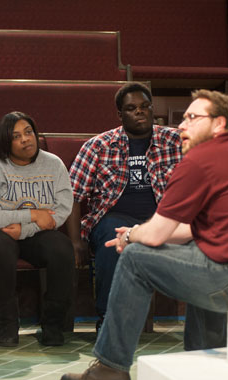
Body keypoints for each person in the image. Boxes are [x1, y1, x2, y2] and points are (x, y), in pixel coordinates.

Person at [59, 89, 228, 380]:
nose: (182, 125)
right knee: (200, 250)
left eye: (193, 118)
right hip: (227, 269)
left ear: (219, 124)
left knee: (135, 258)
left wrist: (130, 236)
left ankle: (111, 368)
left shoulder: (200, 159)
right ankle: (204, 358)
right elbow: (193, 231)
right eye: (183, 117)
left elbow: (155, 235)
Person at [67, 82, 184, 332]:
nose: (140, 112)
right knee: (113, 238)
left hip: (162, 219)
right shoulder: (98, 146)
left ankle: (209, 328)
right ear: (120, 115)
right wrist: (76, 240)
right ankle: (111, 321)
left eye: (145, 106)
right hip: (114, 217)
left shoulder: (177, 141)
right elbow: (73, 196)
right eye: (132, 108)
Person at [0, 111, 75, 347]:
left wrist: (24, 230)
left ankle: (53, 325)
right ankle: (8, 326)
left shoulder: (53, 164)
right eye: (17, 136)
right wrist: (34, 214)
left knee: (62, 248)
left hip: (31, 233)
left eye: (29, 132)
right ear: (5, 142)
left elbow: (62, 209)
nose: (26, 139)